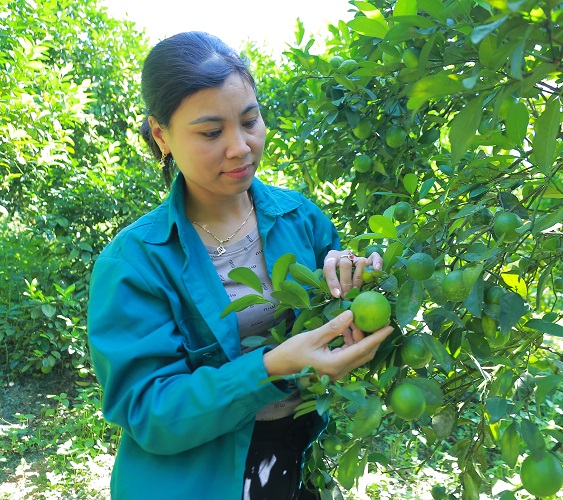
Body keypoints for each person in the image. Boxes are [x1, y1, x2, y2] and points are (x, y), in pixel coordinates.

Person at [87, 31, 393, 500]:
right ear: (161, 135)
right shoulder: (134, 262)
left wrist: (355, 278)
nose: (240, 146)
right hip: (196, 480)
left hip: (299, 453)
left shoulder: (300, 218)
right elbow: (150, 411)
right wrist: (270, 369)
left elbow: (333, 320)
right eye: (211, 132)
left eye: (250, 120)